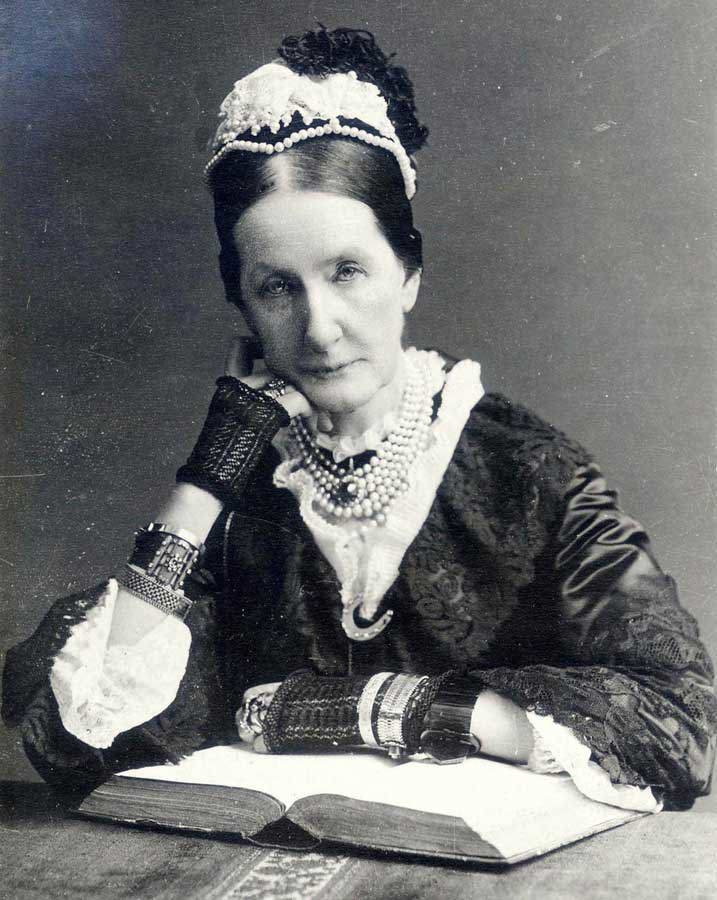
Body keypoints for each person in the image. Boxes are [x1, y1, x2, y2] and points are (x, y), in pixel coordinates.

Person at [3, 26, 715, 813]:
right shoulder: (245, 491)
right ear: (243, 306)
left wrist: (402, 710)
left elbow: (677, 722)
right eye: (277, 288)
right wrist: (206, 479)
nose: (319, 328)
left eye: (347, 272)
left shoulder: (529, 473)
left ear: (407, 274)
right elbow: (81, 737)